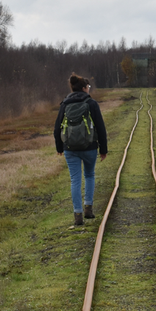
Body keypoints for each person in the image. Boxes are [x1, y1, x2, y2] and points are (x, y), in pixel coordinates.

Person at [54, 73, 108, 227]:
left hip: (70, 148)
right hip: (89, 147)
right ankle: (88, 209)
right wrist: (103, 149)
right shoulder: (91, 103)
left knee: (75, 180)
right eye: (88, 87)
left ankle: (77, 215)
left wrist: (59, 147)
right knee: (89, 175)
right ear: (84, 88)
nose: (89, 89)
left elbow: (57, 127)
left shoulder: (65, 104)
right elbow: (100, 127)